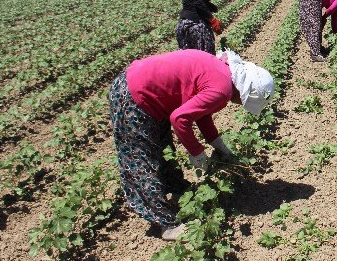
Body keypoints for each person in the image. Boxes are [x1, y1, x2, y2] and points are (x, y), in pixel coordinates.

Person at [108, 49, 274, 240]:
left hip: (147, 91)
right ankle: (166, 224)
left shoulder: (222, 72)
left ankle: (177, 189)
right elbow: (179, 119)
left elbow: (202, 114)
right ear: (244, 91)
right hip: (133, 95)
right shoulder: (223, 89)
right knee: (141, 161)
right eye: (244, 101)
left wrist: (218, 144)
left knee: (163, 149)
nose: (240, 104)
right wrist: (197, 152)